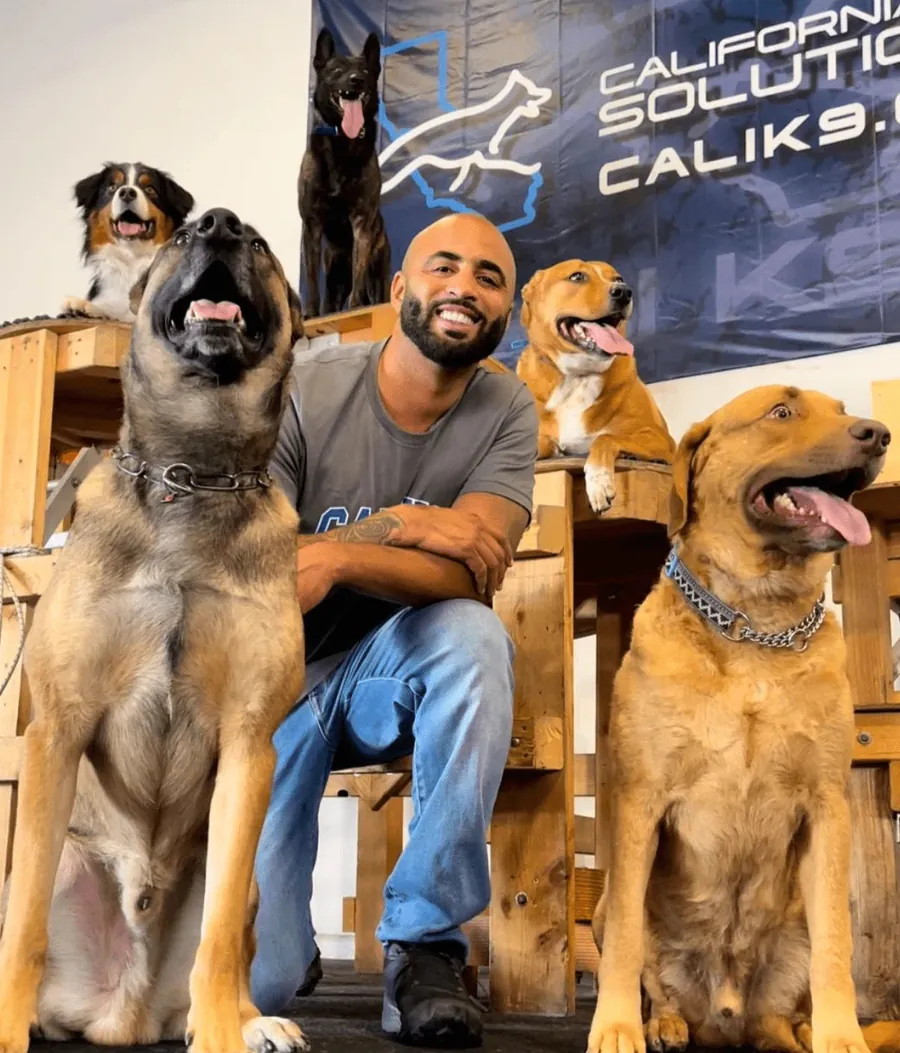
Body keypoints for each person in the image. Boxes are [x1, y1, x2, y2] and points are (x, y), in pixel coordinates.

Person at [249, 212, 538, 1048]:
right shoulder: (305, 387)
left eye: (488, 277)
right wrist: (410, 530)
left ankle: (424, 944)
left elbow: (471, 575)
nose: (464, 287)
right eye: (443, 267)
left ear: (507, 310)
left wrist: (341, 552)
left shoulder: (507, 406)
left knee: (473, 638)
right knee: (260, 984)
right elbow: (261, 566)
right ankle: (287, 946)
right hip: (273, 687)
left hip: (390, 671)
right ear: (401, 287)